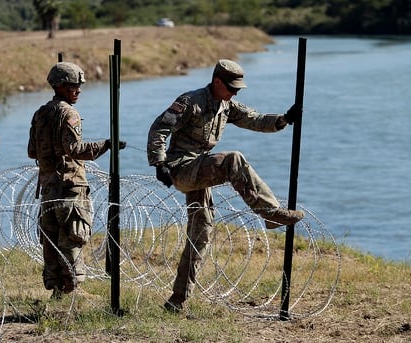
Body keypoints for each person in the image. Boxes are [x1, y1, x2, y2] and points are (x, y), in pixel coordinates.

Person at [147, 59, 305, 313]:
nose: (234, 93)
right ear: (217, 81)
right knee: (233, 159)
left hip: (200, 170)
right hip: (182, 169)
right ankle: (270, 212)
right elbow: (159, 128)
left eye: (238, 90)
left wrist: (284, 119)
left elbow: (254, 119)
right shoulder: (191, 101)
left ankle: (177, 301)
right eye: (231, 88)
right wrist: (159, 162)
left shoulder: (227, 105)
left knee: (201, 234)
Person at [28, 62, 125, 298]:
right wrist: (106, 145)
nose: (79, 90)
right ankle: (71, 291)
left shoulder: (40, 113)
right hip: (71, 187)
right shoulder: (69, 113)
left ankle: (57, 292)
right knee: (72, 238)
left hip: (49, 188)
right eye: (74, 86)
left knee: (51, 243)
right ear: (60, 86)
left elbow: (32, 151)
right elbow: (75, 149)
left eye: (79, 86)